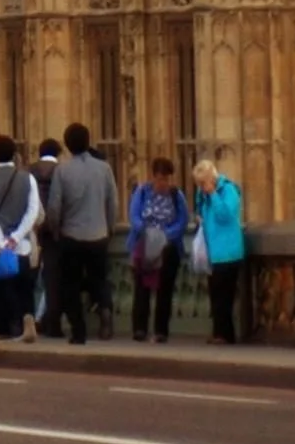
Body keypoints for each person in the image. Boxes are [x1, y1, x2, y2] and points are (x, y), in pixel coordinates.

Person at [45, 122, 116, 345]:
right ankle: (105, 310)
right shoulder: (104, 168)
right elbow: (112, 202)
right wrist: (109, 228)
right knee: (99, 279)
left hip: (72, 235)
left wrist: (55, 230)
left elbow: (54, 206)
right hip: (98, 233)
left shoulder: (63, 170)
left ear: (67, 145)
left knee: (70, 285)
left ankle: (79, 331)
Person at [0, 136, 41, 341]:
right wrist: (16, 237)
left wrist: (2, 240)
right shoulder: (27, 178)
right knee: (23, 286)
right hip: (21, 246)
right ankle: (25, 321)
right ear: (14, 154)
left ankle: (4, 328)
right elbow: (33, 211)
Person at [125, 158, 187, 345]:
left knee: (164, 291)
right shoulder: (142, 192)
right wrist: (147, 232)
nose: (164, 184)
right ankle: (139, 329)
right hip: (143, 246)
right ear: (153, 177)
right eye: (160, 179)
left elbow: (183, 220)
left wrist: (164, 236)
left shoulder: (177, 196)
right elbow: (134, 216)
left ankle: (161, 331)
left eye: (167, 179)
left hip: (168, 249)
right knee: (142, 289)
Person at [193, 157, 246, 344]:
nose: (200, 187)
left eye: (202, 183)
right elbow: (202, 216)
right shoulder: (204, 196)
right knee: (215, 295)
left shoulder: (228, 190)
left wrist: (213, 194)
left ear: (211, 179)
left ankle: (226, 335)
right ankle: (219, 333)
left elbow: (225, 215)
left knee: (224, 297)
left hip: (229, 252)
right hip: (213, 254)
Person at [31, 141, 64, 335]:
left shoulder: (28, 172)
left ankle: (29, 316)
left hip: (32, 230)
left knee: (31, 278)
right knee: (52, 279)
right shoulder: (62, 171)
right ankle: (45, 318)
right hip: (55, 232)